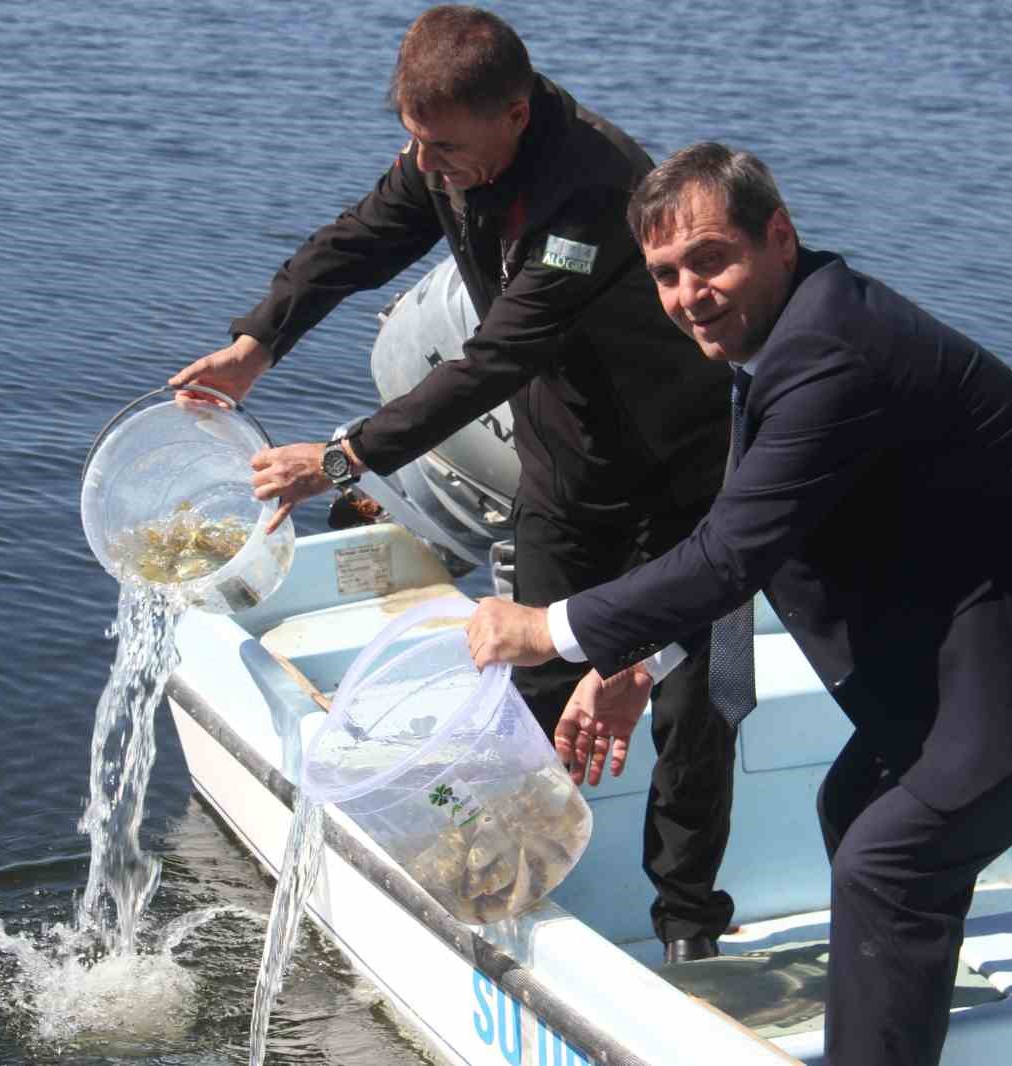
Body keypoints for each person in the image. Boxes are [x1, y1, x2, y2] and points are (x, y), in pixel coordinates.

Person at [466, 142, 1012, 1066]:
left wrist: (548, 628)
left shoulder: (832, 355)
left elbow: (727, 556)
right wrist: (642, 663)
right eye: (665, 274)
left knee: (889, 864)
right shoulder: (791, 336)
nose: (690, 293)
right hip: (982, 618)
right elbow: (751, 542)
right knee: (861, 808)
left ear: (780, 237)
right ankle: (894, 1018)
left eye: (710, 259)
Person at [169, 7, 739, 961]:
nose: (425, 165)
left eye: (442, 146)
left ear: (513, 115)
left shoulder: (594, 191)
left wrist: (344, 458)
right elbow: (357, 240)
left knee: (690, 708)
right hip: (567, 464)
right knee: (534, 672)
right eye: (414, 141)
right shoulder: (447, 154)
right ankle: (510, 885)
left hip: (684, 474)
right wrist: (255, 343)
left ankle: (688, 928)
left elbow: (496, 360)